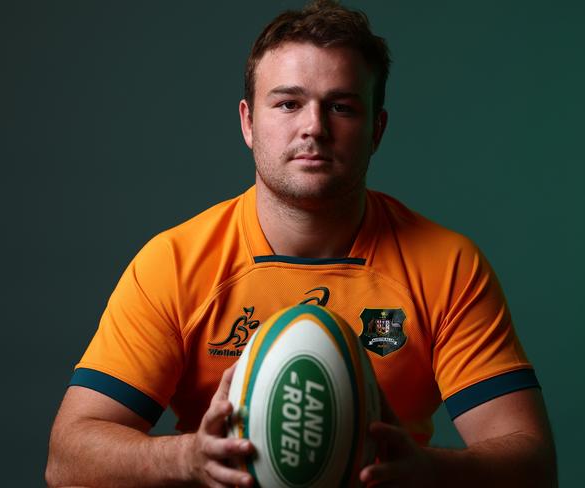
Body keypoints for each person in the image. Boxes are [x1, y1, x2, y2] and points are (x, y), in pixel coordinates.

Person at [45, 1, 557, 486]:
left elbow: (533, 463)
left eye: (341, 107)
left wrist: (426, 471)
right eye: (288, 103)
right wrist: (186, 458)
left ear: (377, 130)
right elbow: (68, 453)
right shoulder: (175, 262)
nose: (314, 127)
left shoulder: (447, 265)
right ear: (248, 122)